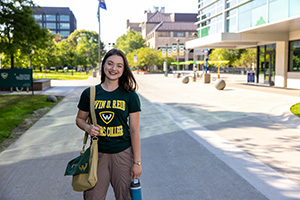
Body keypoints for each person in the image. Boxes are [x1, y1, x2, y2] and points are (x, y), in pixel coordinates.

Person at [76, 49, 142, 200]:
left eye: (119, 66)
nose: (114, 69)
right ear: (103, 65)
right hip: (97, 154)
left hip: (123, 153)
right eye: (110, 64)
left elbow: (134, 130)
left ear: (124, 69)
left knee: (125, 196)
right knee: (92, 197)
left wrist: (137, 162)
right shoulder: (90, 93)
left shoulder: (130, 96)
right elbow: (79, 119)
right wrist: (88, 127)